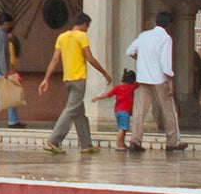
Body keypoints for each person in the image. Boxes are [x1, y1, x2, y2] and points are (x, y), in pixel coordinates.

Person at [39, 11, 105, 154]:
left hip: (67, 80)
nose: (87, 29)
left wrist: (46, 78)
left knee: (79, 112)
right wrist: (104, 73)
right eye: (88, 26)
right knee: (70, 110)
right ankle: (53, 140)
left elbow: (55, 59)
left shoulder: (62, 37)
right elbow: (90, 58)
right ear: (84, 24)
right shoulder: (82, 36)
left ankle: (86, 144)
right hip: (79, 79)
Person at [126, 13, 186, 151]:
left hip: (143, 78)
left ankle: (135, 140)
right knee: (169, 112)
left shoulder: (144, 35)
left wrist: (141, 59)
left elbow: (129, 51)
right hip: (159, 79)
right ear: (168, 25)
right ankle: (172, 142)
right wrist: (171, 80)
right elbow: (165, 63)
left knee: (140, 112)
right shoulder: (165, 38)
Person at [109, 68, 138, 150]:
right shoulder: (131, 88)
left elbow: (109, 94)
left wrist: (98, 98)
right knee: (122, 128)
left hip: (117, 111)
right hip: (125, 111)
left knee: (123, 128)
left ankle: (122, 143)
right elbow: (139, 83)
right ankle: (118, 144)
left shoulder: (118, 87)